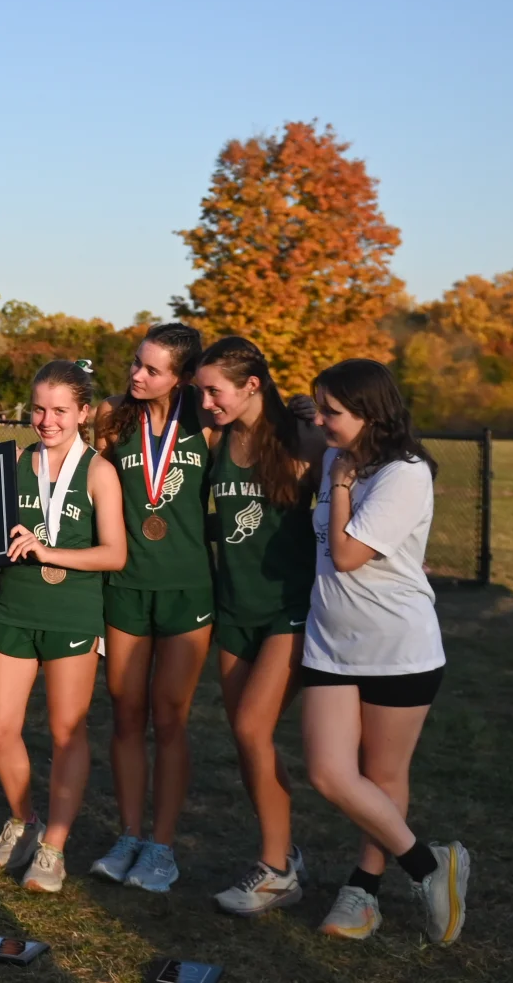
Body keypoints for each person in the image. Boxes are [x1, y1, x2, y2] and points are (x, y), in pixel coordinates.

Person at [304, 359, 468, 946]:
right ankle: (429, 866)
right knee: (328, 772)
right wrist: (336, 463)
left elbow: (348, 555)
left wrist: (344, 484)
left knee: (381, 774)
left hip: (397, 648)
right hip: (328, 641)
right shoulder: (334, 454)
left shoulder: (406, 473)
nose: (321, 420)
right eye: (319, 407)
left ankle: (364, 891)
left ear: (371, 413)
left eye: (332, 412)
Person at [0, 360, 126, 894]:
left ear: (83, 413)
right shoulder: (15, 461)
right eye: (39, 408)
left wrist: (50, 551)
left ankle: (53, 849)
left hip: (72, 613)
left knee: (67, 734)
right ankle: (25, 820)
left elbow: (114, 554)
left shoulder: (98, 472)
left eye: (61, 410)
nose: (47, 420)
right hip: (15, 608)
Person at [195, 337, 322, 914]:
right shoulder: (217, 437)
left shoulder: (303, 438)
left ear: (252, 385)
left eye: (214, 390)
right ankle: (284, 855)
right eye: (201, 390)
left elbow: (373, 466)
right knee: (249, 743)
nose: (206, 400)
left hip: (288, 609)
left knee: (251, 728)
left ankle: (274, 871)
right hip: (234, 609)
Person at [90, 322, 210, 893]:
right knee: (125, 712)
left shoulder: (206, 422)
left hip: (188, 591)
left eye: (152, 369)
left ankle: (163, 848)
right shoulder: (114, 418)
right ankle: (130, 834)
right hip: (126, 586)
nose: (137, 375)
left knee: (169, 717)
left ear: (182, 377)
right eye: (136, 363)